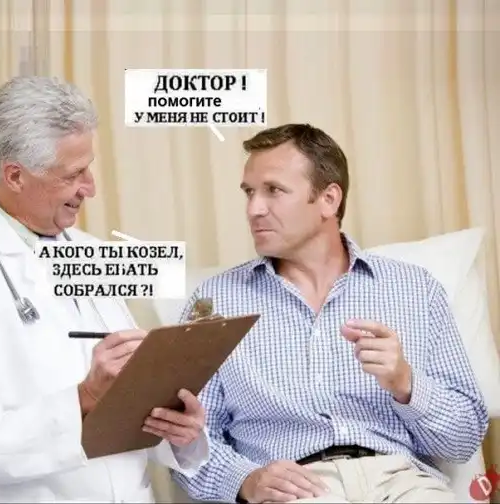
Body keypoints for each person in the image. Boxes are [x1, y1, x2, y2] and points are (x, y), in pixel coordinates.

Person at [0, 76, 210, 503]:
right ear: (15, 176)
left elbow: (127, 399)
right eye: (74, 174)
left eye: (88, 167)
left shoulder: (93, 253)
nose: (90, 187)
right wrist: (82, 398)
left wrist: (178, 429)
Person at [171, 123, 489, 503]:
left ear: (329, 199)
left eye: (273, 190)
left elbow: (463, 441)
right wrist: (246, 480)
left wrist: (407, 384)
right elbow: (183, 440)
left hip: (404, 482)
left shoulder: (415, 290)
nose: (254, 209)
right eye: (249, 192)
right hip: (297, 488)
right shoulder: (214, 304)